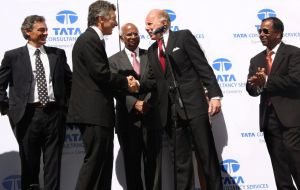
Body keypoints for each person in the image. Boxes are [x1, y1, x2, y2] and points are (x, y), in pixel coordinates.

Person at [142, 9, 223, 190]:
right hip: (171, 115)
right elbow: (153, 80)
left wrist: (215, 95)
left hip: (194, 107)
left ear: (163, 23)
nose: (146, 28)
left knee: (206, 157)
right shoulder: (151, 50)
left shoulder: (183, 37)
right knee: (181, 163)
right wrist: (130, 83)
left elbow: (202, 67)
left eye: (149, 23)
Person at [67, 1, 138, 189]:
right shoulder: (89, 39)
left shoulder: (93, 39)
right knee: (95, 165)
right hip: (93, 113)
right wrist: (126, 82)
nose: (115, 24)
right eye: (113, 19)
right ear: (100, 19)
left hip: (100, 114)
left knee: (103, 167)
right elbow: (100, 73)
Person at [0, 15, 72, 190]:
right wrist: (10, 110)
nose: (46, 33)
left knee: (53, 165)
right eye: (41, 30)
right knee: (29, 165)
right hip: (27, 117)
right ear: (27, 31)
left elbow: (70, 83)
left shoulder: (58, 54)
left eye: (46, 29)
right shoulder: (13, 56)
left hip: (54, 115)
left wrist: (67, 109)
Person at [247, 17, 300, 189]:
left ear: (278, 33)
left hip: (291, 119)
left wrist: (267, 80)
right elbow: (252, 90)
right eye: (260, 31)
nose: (261, 34)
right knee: (280, 170)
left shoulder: (294, 53)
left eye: (265, 31)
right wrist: (255, 85)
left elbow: (295, 80)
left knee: (296, 162)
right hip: (269, 121)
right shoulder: (256, 60)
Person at [109, 23, 159, 190]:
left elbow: (156, 82)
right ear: (121, 38)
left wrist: (147, 103)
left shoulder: (150, 55)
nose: (132, 37)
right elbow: (114, 88)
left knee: (154, 165)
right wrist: (134, 103)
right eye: (128, 34)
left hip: (151, 118)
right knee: (132, 168)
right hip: (127, 122)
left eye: (135, 34)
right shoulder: (113, 61)